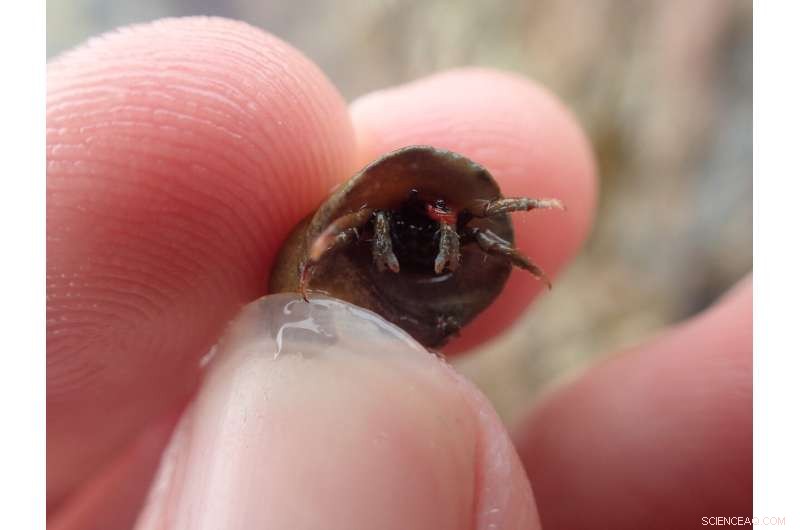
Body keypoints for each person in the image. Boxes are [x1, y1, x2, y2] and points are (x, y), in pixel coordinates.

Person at [47, 17, 752, 530]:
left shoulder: (447, 221)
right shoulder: (376, 222)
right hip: (355, 273)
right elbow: (351, 227)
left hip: (402, 294)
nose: (440, 218)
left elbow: (467, 216)